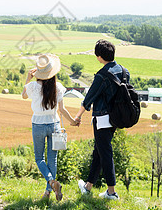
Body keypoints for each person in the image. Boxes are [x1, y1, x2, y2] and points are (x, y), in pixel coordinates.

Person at [74, 39, 130, 200]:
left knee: (105, 152)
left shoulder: (102, 75)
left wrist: (77, 117)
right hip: (115, 119)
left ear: (99, 56)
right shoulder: (124, 71)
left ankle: (111, 192)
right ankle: (88, 186)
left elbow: (89, 98)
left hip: (102, 119)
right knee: (99, 151)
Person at [22, 53, 79, 201]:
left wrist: (28, 78)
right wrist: (73, 121)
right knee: (52, 159)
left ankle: (51, 182)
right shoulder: (58, 87)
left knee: (39, 158)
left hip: (38, 125)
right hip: (54, 125)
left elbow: (23, 95)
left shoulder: (33, 87)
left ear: (38, 72)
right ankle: (48, 191)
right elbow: (62, 110)